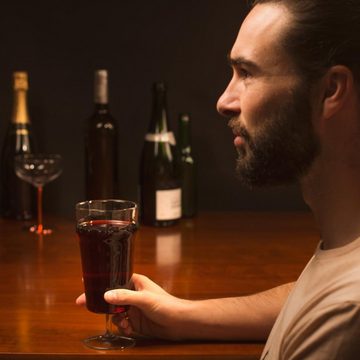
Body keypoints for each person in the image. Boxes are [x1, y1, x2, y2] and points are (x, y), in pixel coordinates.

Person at [77, 0, 360, 358]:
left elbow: (334, 305)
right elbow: (308, 295)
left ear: (330, 90)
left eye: (247, 73)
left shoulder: (346, 317)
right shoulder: (343, 252)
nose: (224, 101)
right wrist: (182, 316)